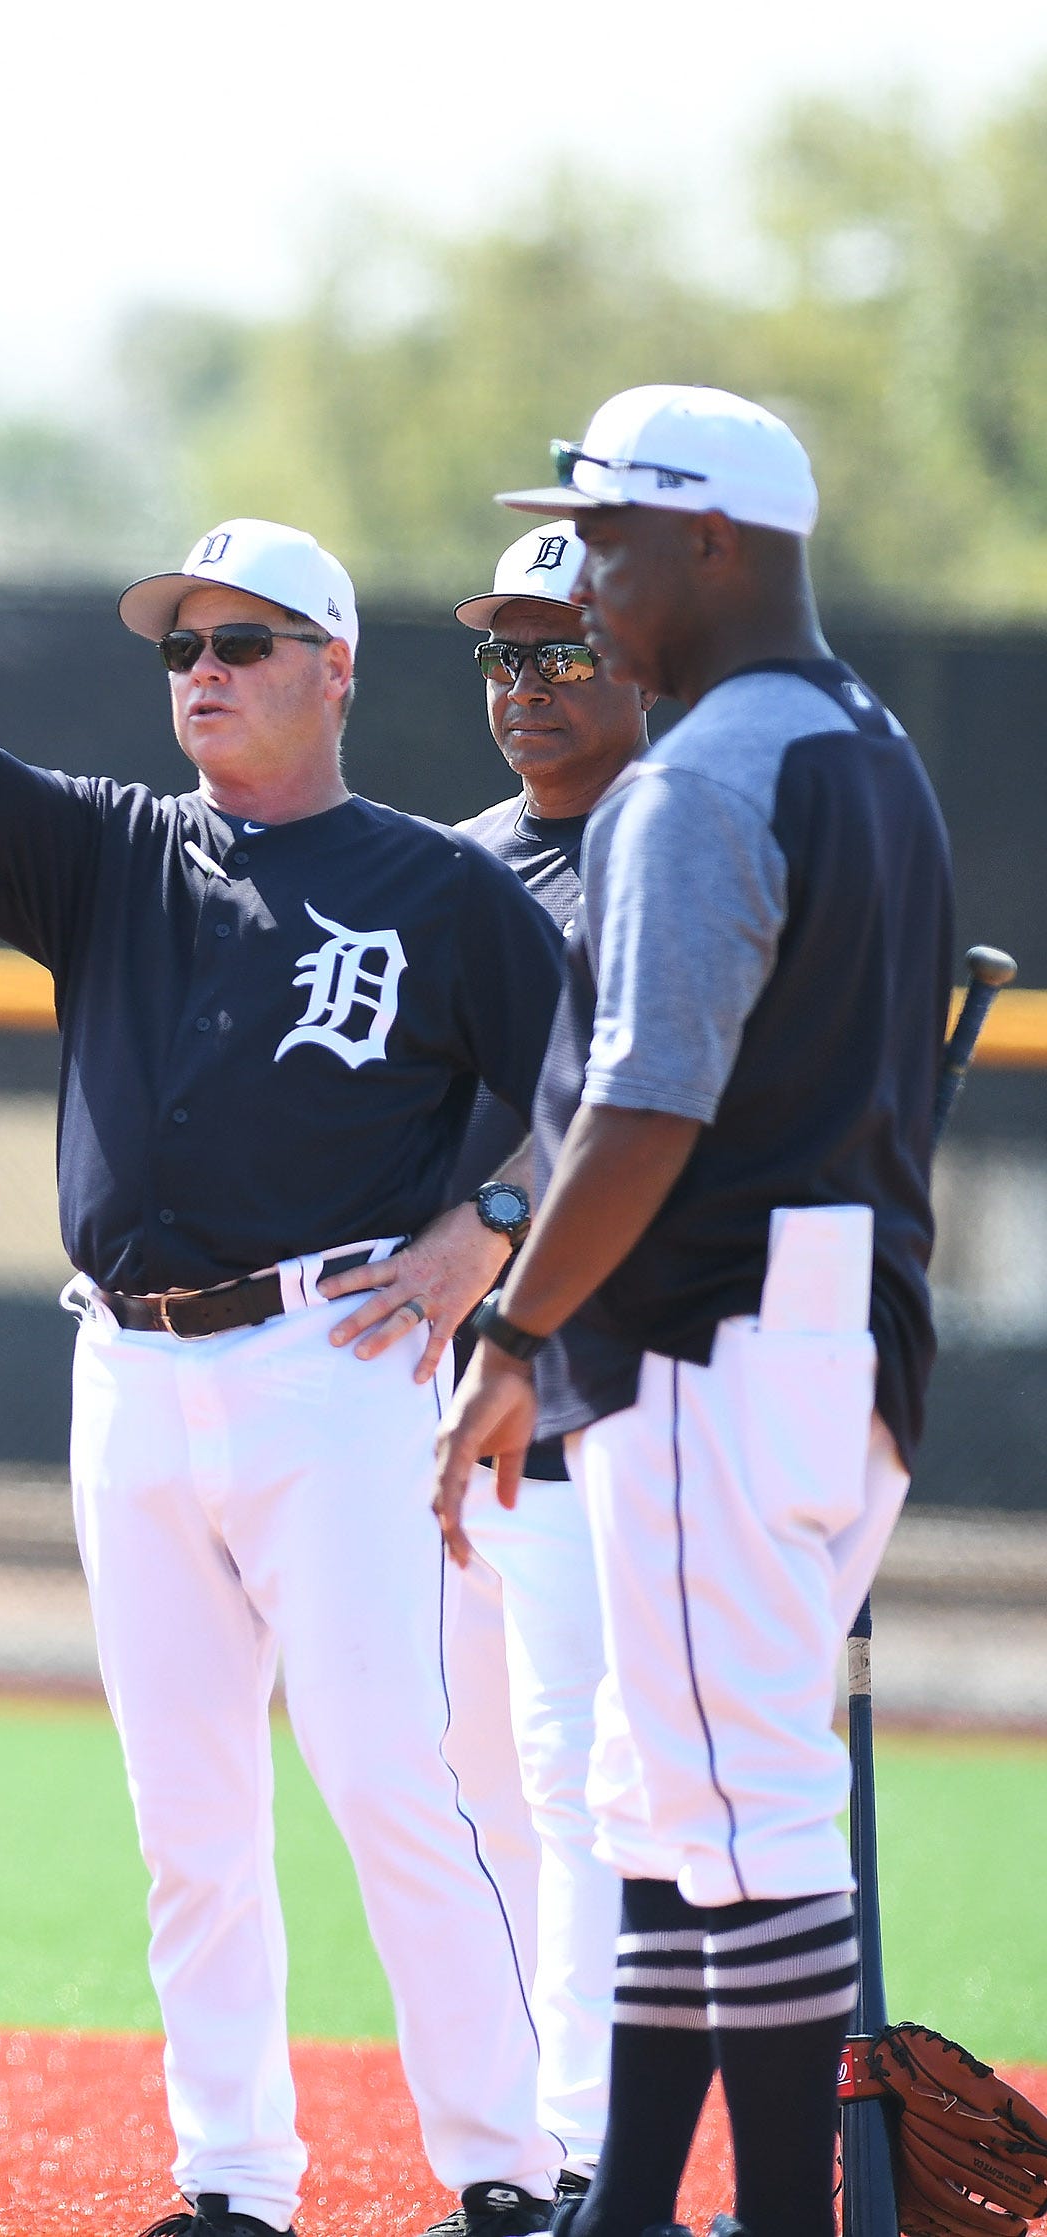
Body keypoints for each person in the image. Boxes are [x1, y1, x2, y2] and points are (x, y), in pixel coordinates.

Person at [0, 516, 567, 2237]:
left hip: (339, 1360)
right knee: (190, 1812)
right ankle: (233, 2180)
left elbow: (591, 1089)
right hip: (131, 1367)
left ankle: (508, 2174)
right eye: (183, 648)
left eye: (244, 642)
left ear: (338, 666)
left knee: (392, 1775)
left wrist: (493, 1225)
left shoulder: (439, 886)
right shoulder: (119, 853)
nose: (207, 672)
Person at [439, 386, 957, 2237]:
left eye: (613, 536)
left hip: (712, 1340)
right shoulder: (868, 746)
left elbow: (652, 1098)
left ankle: (789, 2225)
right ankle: (631, 2207)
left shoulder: (708, 773)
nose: (589, 572)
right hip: (839, 1326)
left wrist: (508, 1338)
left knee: (741, 1812)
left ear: (717, 541)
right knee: (670, 1796)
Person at [430, 524, 660, 2225]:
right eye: (503, 655)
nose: (525, 685)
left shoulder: (682, 842)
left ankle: (585, 2153)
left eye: (559, 648)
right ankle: (521, 2157)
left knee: (586, 1778)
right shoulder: (451, 866)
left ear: (636, 649)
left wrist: (502, 1218)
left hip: (610, 1389)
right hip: (440, 1398)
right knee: (465, 1781)